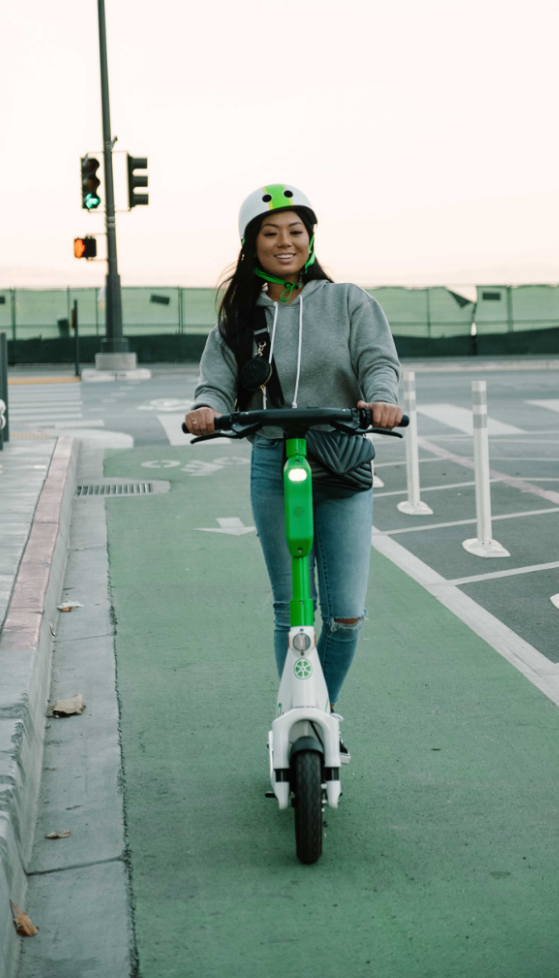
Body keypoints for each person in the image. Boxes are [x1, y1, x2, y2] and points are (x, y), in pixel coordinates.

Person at [184, 184, 402, 758]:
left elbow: (377, 361)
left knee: (346, 614)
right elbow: (216, 381)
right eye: (270, 232)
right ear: (251, 244)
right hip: (274, 461)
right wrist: (206, 409)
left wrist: (383, 399)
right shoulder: (239, 319)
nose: (284, 242)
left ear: (310, 240)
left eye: (295, 232)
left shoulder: (348, 301)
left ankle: (317, 714)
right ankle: (296, 724)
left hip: (341, 462)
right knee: (292, 608)